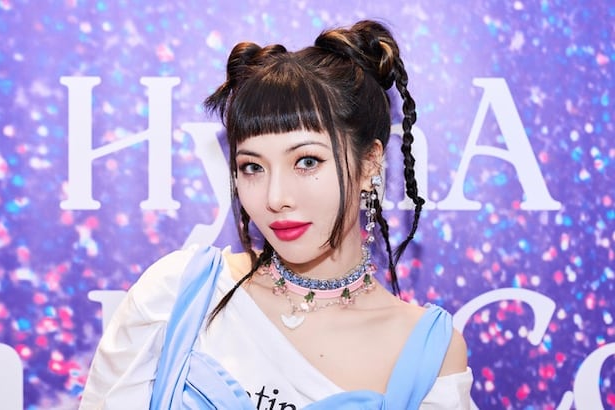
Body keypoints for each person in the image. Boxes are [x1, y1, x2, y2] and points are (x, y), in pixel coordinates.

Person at [79, 19, 473, 409]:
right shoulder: (177, 294)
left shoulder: (428, 356)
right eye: (253, 167)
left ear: (369, 161)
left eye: (306, 161)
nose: (275, 197)